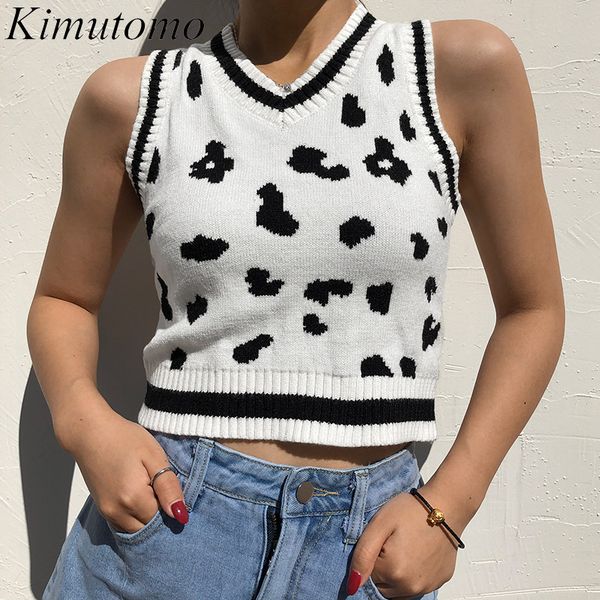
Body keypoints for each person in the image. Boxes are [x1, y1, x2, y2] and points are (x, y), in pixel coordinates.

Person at [29, 0, 564, 598]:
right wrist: (86, 425)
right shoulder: (140, 98)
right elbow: (64, 298)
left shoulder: (450, 71)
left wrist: (450, 506)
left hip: (373, 549)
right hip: (166, 527)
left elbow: (533, 310)